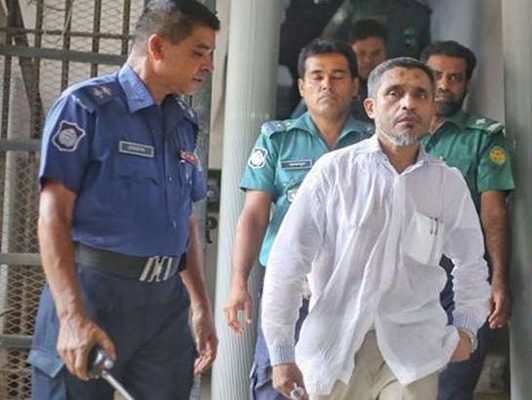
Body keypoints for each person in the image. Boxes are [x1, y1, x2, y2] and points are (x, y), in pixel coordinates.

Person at [262, 57, 490, 400]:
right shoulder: (334, 172)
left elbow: (471, 262)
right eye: (394, 93)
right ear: (371, 107)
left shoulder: (447, 183)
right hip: (334, 349)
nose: (408, 104)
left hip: (413, 355)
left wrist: (467, 328)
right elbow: (288, 262)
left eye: (420, 95)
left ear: (432, 110)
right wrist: (281, 352)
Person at [29, 1, 219, 399]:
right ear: (157, 47)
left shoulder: (183, 121)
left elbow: (185, 219)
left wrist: (199, 304)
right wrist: (71, 316)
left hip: (165, 303)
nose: (209, 65)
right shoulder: (86, 107)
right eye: (199, 53)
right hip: (95, 293)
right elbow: (53, 215)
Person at [222, 38, 372, 400]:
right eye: (317, 76)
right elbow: (254, 215)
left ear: (355, 86)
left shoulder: (372, 143)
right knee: (277, 380)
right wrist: (239, 280)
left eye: (338, 76)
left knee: (347, 385)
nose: (327, 85)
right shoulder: (277, 139)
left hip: (354, 289)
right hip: (289, 286)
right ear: (302, 86)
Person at [420, 40, 514, 400]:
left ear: (467, 84)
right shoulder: (398, 130)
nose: (444, 85)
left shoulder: (482, 137)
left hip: (461, 275)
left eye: (455, 78)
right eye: (436, 75)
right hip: (403, 274)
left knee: (454, 384)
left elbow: (493, 212)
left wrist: (499, 281)